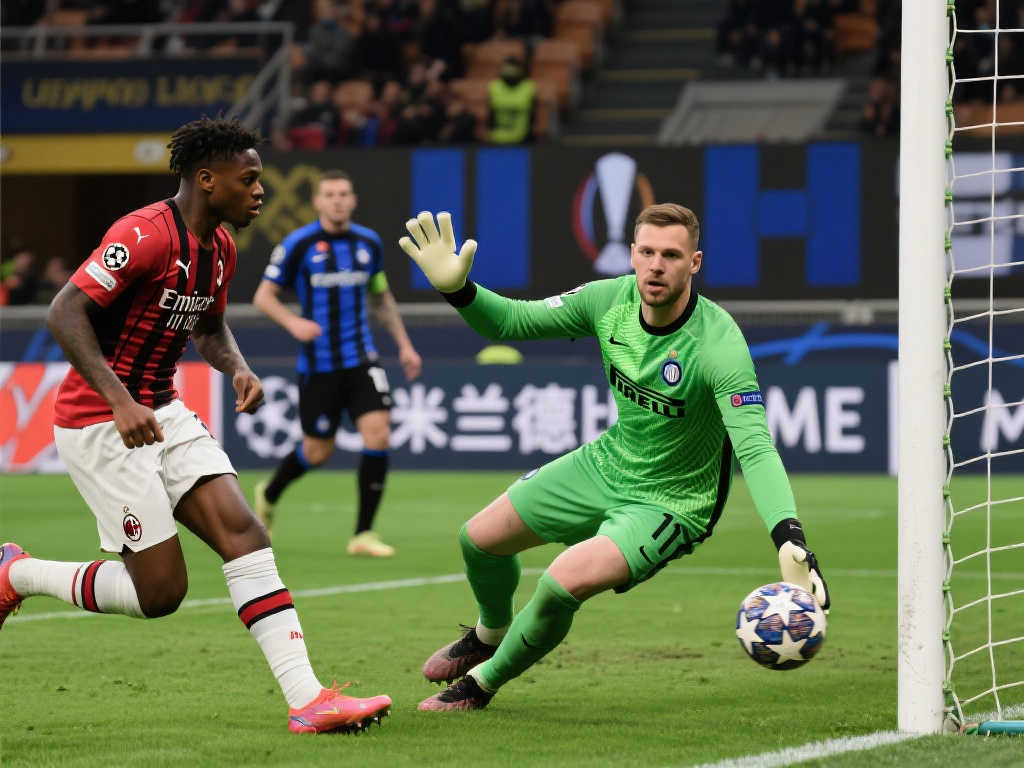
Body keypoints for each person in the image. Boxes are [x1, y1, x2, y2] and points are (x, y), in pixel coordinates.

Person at [0, 118, 392, 734]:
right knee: (160, 594)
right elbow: (64, 311)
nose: (260, 191)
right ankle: (17, 574)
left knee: (246, 534)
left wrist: (237, 367)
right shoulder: (143, 235)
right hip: (101, 421)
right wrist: (120, 401)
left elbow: (208, 327)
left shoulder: (222, 248)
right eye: (250, 179)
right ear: (207, 180)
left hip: (164, 410)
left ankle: (308, 700)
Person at [398, 206, 831, 711]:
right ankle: (489, 635)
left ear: (694, 263)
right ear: (632, 255)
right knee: (477, 540)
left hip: (671, 503)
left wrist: (788, 536)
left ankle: (479, 686)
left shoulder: (719, 343)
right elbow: (512, 321)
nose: (656, 265)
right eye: (647, 252)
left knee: (560, 584)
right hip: (607, 463)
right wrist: (459, 291)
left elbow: (755, 446)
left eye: (671, 255)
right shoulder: (608, 300)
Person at [252, 169, 422, 557]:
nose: (337, 201)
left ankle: (363, 534)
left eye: (344, 194)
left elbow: (381, 298)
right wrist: (293, 323)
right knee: (317, 453)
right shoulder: (299, 244)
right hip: (319, 365)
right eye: (329, 194)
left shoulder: (368, 243)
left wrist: (405, 345)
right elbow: (264, 296)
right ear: (317, 201)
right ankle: (270, 493)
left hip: (362, 359)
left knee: (378, 434)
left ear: (353, 200)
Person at [487, 56, 536, 145]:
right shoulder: (494, 86)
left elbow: (533, 116)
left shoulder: (528, 87)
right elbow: (490, 115)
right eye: (507, 69)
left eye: (513, 69)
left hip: (523, 137)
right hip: (496, 137)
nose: (510, 72)